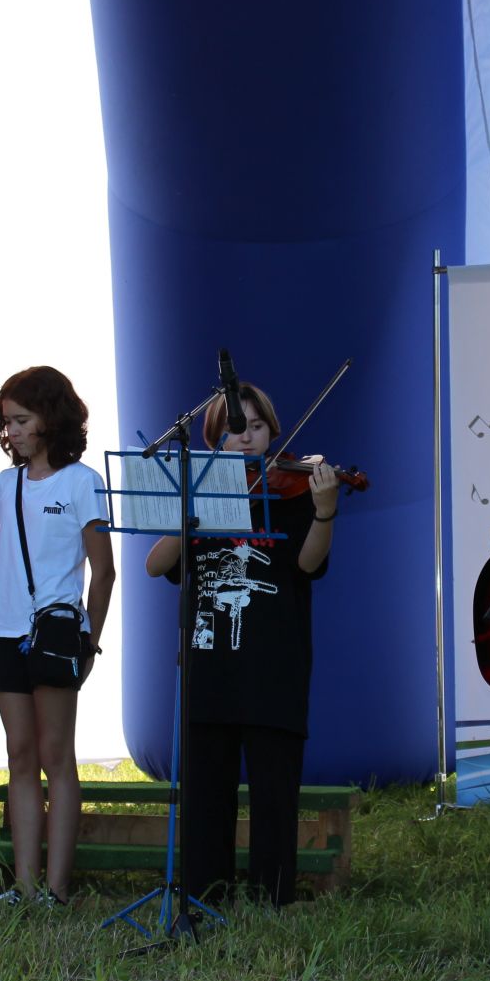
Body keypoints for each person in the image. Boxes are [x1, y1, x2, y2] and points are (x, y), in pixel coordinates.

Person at [145, 382, 339, 909]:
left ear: (272, 431)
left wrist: (324, 512)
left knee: (275, 792)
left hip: (275, 662)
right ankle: (206, 897)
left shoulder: (289, 491)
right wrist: (195, 508)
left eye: (256, 427)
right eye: (234, 429)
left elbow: (307, 565)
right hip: (210, 664)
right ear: (212, 439)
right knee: (207, 791)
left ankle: (272, 898)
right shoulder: (203, 494)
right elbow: (156, 564)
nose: (246, 438)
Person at [0, 367, 116, 907]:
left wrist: (91, 641)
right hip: (6, 631)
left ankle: (56, 890)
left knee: (57, 757)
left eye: (21, 420)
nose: (10, 431)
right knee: (19, 756)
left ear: (50, 419)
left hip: (58, 633)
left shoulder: (83, 482)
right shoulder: (1, 485)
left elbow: (103, 572)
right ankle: (24, 885)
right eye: (6, 421)